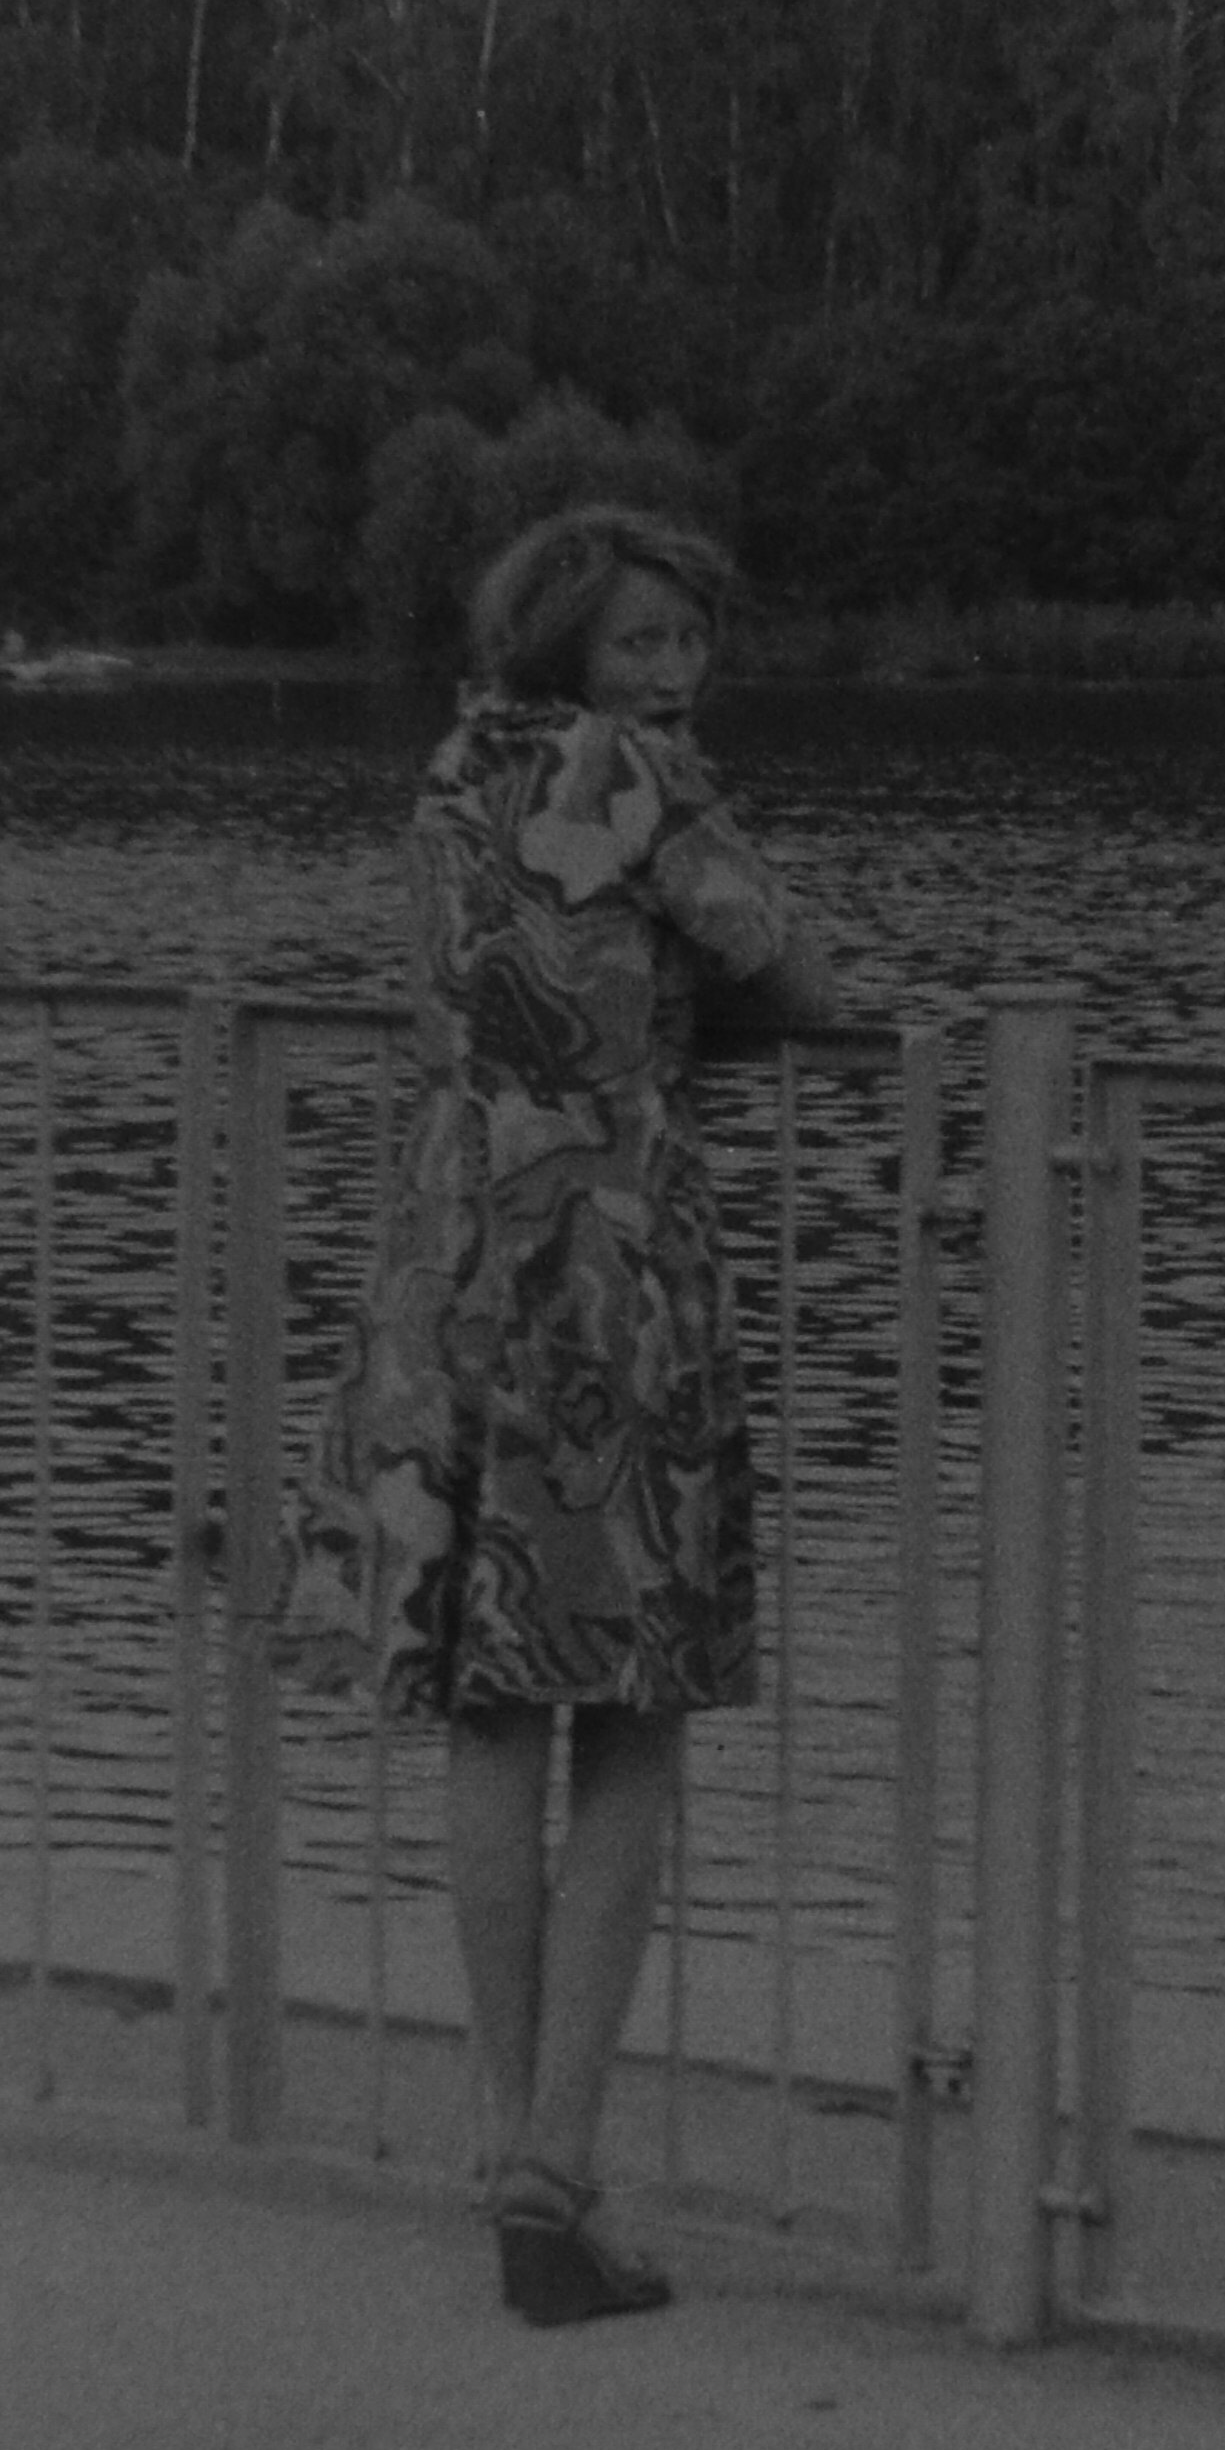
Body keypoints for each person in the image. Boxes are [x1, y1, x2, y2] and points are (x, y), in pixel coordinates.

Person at [279, 504, 853, 2324]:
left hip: (451, 1248)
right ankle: (552, 2165)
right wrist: (707, 1002)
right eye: (640, 642)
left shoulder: (456, 769)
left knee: (487, 1699)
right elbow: (795, 970)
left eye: (691, 640)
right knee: (630, 1708)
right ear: (571, 652)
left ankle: (511, 2150)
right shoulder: (641, 779)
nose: (676, 673)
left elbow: (462, 985)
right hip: (605, 1264)